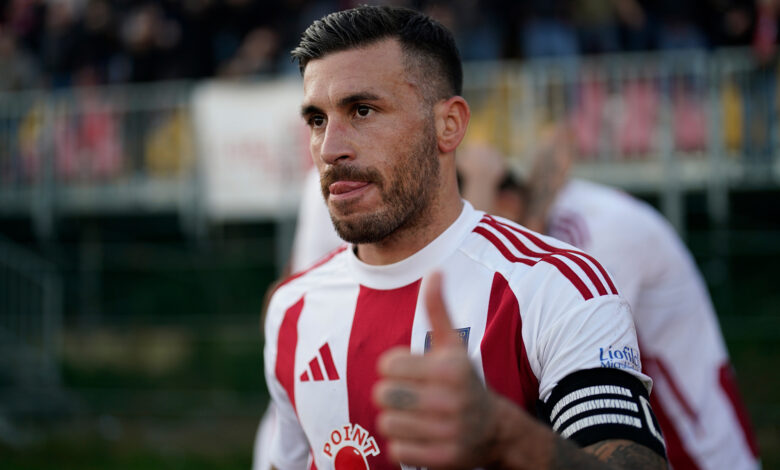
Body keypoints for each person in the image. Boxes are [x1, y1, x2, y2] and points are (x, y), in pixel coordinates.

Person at [263, 6, 667, 470]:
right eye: (317, 120)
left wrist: (505, 436)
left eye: (363, 110)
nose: (330, 148)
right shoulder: (291, 309)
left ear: (449, 124)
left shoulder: (555, 286)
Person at [458, 129, 761, 470]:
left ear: (507, 201)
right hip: (657, 433)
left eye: (479, 217)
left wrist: (480, 183)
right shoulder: (564, 218)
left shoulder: (589, 231)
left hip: (693, 447)